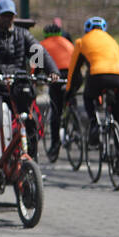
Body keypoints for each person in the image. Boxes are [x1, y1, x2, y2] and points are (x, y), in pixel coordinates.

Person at [0, 0, 56, 182]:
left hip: (17, 84)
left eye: (11, 16)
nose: (8, 19)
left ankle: (30, 162)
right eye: (4, 15)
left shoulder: (22, 34)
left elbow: (38, 53)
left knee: (31, 122)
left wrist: (51, 72)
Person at [67, 16, 119, 144]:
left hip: (98, 75)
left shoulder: (82, 42)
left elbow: (74, 70)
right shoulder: (112, 40)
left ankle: (94, 125)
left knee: (87, 97)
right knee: (118, 117)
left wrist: (69, 89)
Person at [41, 22, 75, 155]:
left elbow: (34, 67)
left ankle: (55, 144)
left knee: (56, 111)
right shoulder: (67, 43)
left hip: (56, 76)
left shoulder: (42, 44)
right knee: (70, 98)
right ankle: (75, 125)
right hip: (72, 76)